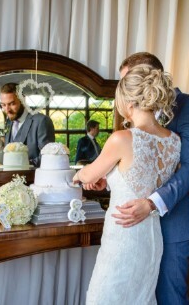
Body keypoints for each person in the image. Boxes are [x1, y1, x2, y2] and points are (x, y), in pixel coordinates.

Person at [85, 52, 189, 304]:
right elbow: (135, 166)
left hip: (173, 223)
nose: (126, 90)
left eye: (129, 80)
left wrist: (152, 203)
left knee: (168, 299)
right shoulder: (131, 119)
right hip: (136, 233)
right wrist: (109, 180)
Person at [73, 65, 181, 303]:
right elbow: (141, 178)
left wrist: (80, 175)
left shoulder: (122, 138)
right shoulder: (173, 141)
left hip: (124, 238)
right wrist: (109, 182)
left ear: (128, 102)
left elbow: (90, 175)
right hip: (152, 239)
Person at [0, 83, 55, 167]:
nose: (7, 110)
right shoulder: (9, 122)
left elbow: (47, 157)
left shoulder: (42, 121)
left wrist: (21, 163)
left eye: (12, 104)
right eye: (3, 105)